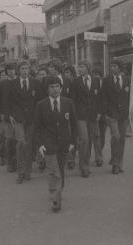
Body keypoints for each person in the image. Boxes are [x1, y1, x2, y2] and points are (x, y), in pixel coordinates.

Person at [34, 76, 77, 213]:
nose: (55, 89)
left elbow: (74, 125)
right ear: (47, 89)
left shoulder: (68, 103)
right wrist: (40, 144)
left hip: (64, 143)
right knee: (53, 171)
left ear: (61, 88)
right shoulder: (41, 105)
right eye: (52, 87)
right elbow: (37, 127)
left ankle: (57, 191)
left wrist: (72, 142)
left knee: (61, 170)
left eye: (57, 86)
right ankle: (55, 199)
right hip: (49, 143)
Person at [5, 61, 43, 184]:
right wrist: (10, 115)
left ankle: (28, 171)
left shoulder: (35, 83)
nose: (25, 71)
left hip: (31, 119)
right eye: (22, 69)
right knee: (21, 143)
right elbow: (8, 101)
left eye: (27, 68)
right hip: (18, 118)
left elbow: (39, 101)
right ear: (18, 70)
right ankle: (20, 172)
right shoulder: (12, 84)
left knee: (29, 145)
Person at [70, 60, 102, 178]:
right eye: (79, 67)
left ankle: (86, 164)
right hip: (80, 116)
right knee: (84, 140)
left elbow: (99, 98)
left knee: (90, 141)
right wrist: (74, 116)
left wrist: (99, 112)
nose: (79, 69)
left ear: (88, 68)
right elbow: (72, 100)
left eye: (82, 67)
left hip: (93, 115)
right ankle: (83, 167)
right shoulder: (75, 82)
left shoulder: (96, 81)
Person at [102, 60, 130, 174]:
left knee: (122, 139)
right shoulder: (107, 80)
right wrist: (106, 112)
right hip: (112, 113)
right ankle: (114, 163)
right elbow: (103, 97)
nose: (112, 68)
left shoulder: (127, 80)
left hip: (124, 114)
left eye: (114, 66)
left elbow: (130, 96)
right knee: (116, 137)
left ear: (120, 68)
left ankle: (119, 163)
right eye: (111, 66)